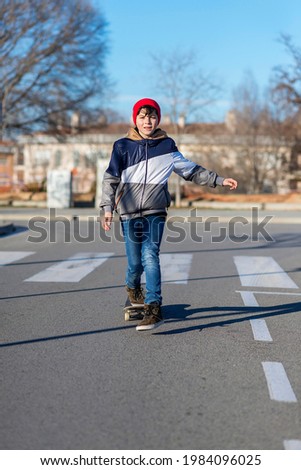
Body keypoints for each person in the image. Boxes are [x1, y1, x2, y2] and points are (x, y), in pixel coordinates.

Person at [100, 98, 238, 331]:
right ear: (135, 119)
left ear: (158, 119)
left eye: (152, 116)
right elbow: (110, 178)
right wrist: (106, 208)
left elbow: (191, 170)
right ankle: (133, 288)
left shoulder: (167, 145)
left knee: (150, 255)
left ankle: (154, 307)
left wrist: (219, 180)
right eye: (143, 116)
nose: (147, 121)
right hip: (128, 213)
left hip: (156, 211)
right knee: (134, 262)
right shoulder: (122, 146)